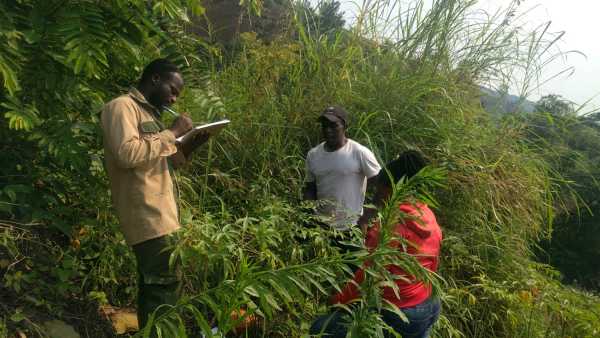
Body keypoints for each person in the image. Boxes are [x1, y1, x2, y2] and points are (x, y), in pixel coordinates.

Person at [100, 58, 209, 329]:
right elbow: (127, 154)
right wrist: (172, 132)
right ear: (155, 79)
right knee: (163, 286)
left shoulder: (151, 116)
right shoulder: (121, 107)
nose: (174, 99)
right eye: (173, 90)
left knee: (159, 286)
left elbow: (168, 161)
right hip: (145, 215)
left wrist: (191, 144)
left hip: (163, 215)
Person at [310, 150, 442, 338]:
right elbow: (432, 264)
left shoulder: (389, 226)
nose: (375, 194)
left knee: (320, 329)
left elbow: (366, 275)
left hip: (402, 312)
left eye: (378, 189)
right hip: (430, 303)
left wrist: (337, 300)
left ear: (390, 190)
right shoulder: (427, 214)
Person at [303, 106, 381, 247]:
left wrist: (364, 219)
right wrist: (308, 217)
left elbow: (383, 187)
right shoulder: (313, 155)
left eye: (333, 126)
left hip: (351, 229)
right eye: (324, 126)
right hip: (321, 230)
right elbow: (310, 188)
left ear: (345, 126)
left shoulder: (359, 153)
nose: (328, 130)